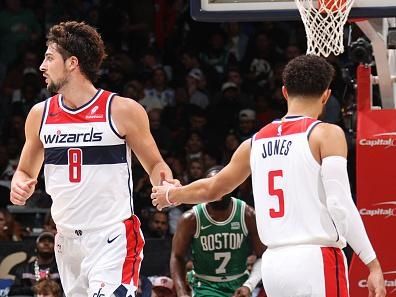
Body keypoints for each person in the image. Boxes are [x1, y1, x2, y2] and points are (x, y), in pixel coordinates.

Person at [151, 55, 386, 297]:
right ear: (326, 95)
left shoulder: (254, 142)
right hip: (315, 259)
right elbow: (340, 204)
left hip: (275, 265)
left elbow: (213, 188)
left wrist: (172, 194)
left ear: (285, 92)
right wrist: (372, 263)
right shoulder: (325, 134)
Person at [10, 21, 176, 297]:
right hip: (66, 242)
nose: (42, 65)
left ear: (72, 63)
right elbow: (25, 172)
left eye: (49, 58)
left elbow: (157, 165)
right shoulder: (40, 114)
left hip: (112, 238)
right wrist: (20, 184)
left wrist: (166, 184)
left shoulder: (121, 110)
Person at [170, 166, 265, 297]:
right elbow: (177, 256)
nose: (216, 190)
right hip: (204, 285)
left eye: (220, 184)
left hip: (239, 285)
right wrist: (182, 292)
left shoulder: (247, 214)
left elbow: (263, 255)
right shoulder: (191, 219)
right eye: (211, 185)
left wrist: (249, 286)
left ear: (231, 186)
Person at [9, 231, 61, 296]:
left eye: (50, 241)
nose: (46, 243)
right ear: (36, 246)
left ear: (55, 247)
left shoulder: (61, 269)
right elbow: (12, 292)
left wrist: (52, 288)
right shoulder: (24, 269)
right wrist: (33, 289)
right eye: (42, 241)